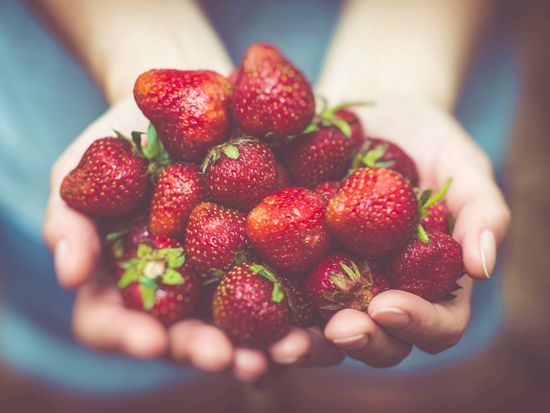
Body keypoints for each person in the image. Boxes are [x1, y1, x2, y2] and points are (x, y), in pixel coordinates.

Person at [1, 0, 513, 409]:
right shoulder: (227, 187)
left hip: (431, 46)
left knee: (392, 388)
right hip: (63, 84)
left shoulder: (321, 195)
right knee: (122, 385)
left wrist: (403, 76)